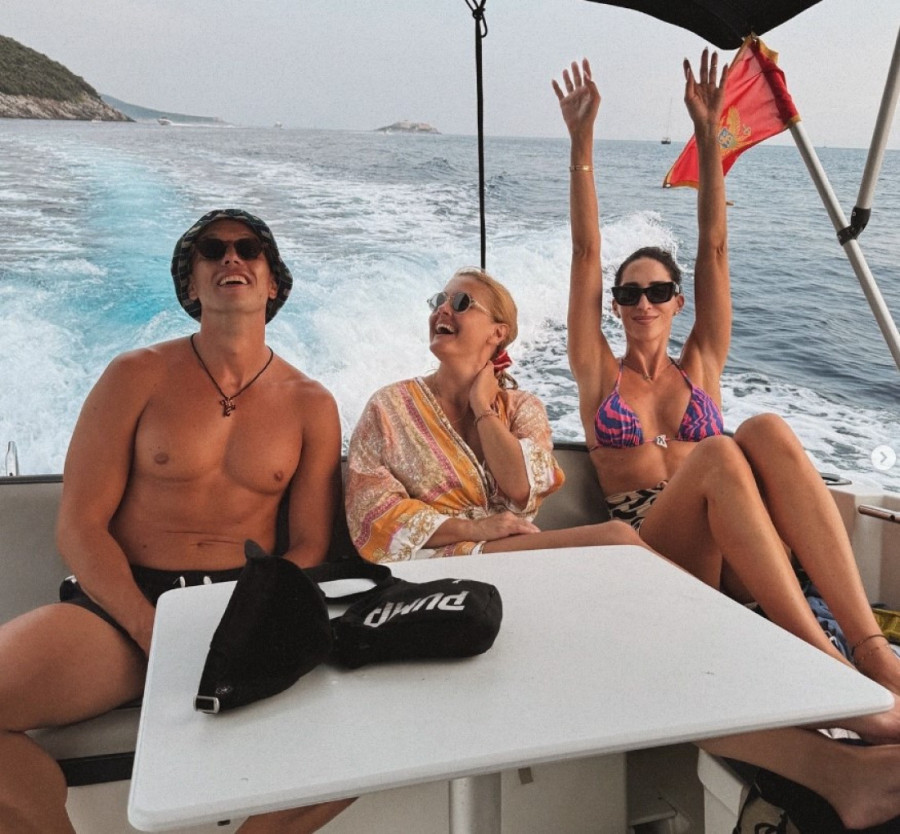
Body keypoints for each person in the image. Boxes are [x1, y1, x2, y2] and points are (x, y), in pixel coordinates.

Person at [554, 52, 900, 827]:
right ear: (616, 305)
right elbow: (583, 254)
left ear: (678, 303)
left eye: (658, 291)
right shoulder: (599, 375)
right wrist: (582, 146)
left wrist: (710, 138)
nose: (643, 302)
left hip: (737, 559)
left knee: (764, 429)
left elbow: (714, 246)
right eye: (630, 293)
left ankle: (869, 651)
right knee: (718, 452)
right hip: (656, 552)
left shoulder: (701, 365)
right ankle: (829, 671)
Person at [0, 209, 350, 833]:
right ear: (191, 284)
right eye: (211, 250)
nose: (230, 258)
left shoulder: (312, 405)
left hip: (241, 604)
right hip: (120, 608)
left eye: (248, 249)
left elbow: (308, 545)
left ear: (273, 281)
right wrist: (148, 626)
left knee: (365, 747)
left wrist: (245, 620)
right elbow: (79, 525)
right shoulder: (135, 375)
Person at [346, 266, 642, 562]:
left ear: (498, 332)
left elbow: (521, 488)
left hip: (504, 560)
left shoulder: (522, 408)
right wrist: (474, 529)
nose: (443, 310)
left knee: (621, 539)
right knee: (617, 537)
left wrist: (481, 407)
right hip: (430, 564)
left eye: (461, 302)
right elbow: (372, 511)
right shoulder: (388, 407)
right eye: (438, 301)